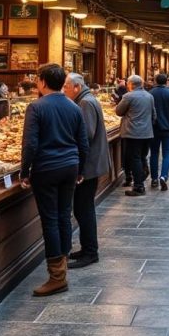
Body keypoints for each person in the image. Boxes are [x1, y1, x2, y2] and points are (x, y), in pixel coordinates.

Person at [18, 63, 88, 297]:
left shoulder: (36, 107)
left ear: (42, 82)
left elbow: (30, 143)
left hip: (46, 168)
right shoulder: (74, 106)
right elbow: (83, 143)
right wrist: (80, 169)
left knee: (50, 220)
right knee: (64, 215)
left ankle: (57, 277)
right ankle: (62, 267)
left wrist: (24, 171)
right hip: (70, 166)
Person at [63, 73, 111, 269]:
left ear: (76, 87)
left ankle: (90, 252)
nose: (64, 90)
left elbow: (86, 135)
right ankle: (87, 248)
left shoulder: (85, 103)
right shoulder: (86, 99)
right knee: (83, 208)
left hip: (89, 165)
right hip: (91, 163)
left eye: (66, 87)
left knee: (84, 209)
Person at [116, 74, 155, 196]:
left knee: (135, 158)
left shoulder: (128, 96)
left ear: (131, 84)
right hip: (147, 132)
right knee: (142, 156)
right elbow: (154, 115)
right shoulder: (149, 96)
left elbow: (118, 111)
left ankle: (139, 186)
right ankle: (143, 174)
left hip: (133, 132)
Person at [149, 73, 169, 191]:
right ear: (167, 81)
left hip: (154, 128)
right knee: (167, 153)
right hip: (168, 128)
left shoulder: (150, 94)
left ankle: (154, 178)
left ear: (155, 81)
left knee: (154, 153)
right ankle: (164, 176)